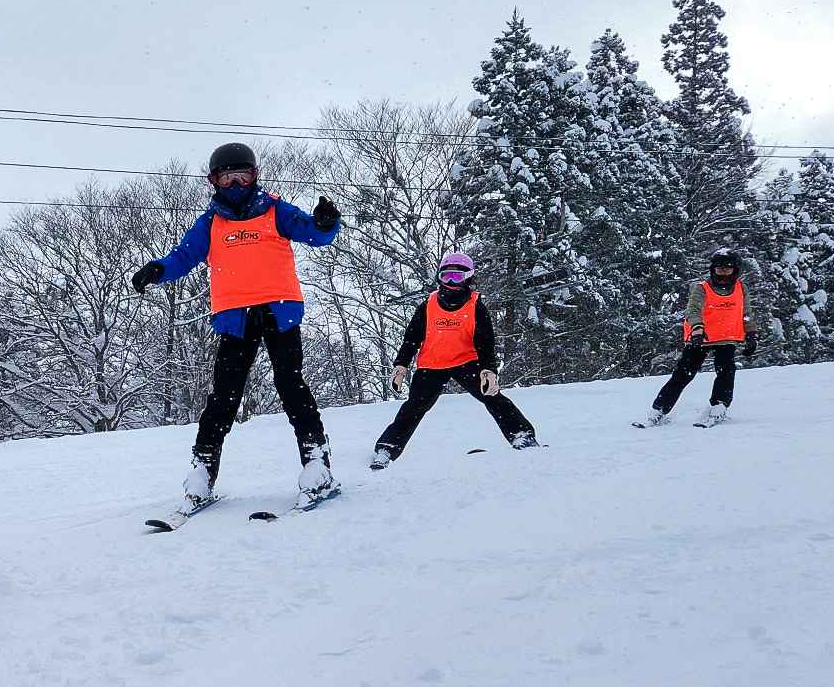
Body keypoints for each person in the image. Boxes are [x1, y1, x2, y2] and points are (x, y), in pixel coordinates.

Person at [132, 142, 342, 509]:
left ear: (254, 175)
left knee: (291, 386)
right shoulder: (210, 223)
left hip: (279, 311)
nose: (234, 184)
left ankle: (317, 467)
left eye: (241, 175)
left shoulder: (275, 211)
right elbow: (184, 257)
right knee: (224, 398)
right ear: (214, 181)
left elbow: (315, 234)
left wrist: (327, 222)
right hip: (235, 317)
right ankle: (202, 475)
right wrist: (158, 269)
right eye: (226, 177)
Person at [370, 251, 538, 469]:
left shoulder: (476, 306)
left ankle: (522, 435)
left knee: (493, 397)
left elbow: (485, 341)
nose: (450, 282)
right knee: (414, 407)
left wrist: (488, 371)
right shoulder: (428, 305)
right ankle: (386, 448)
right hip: (432, 364)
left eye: (457, 277)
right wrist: (401, 365)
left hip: (466, 362)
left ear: (468, 278)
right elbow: (411, 338)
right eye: (446, 276)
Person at [636, 248, 757, 427]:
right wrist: (698, 329)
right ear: (712, 269)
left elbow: (746, 313)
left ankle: (719, 406)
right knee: (683, 374)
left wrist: (751, 334)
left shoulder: (741, 289)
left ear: (735, 269)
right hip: (701, 337)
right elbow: (693, 310)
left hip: (727, 337)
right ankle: (659, 409)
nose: (723, 271)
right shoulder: (702, 288)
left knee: (726, 371)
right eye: (719, 268)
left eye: (727, 268)